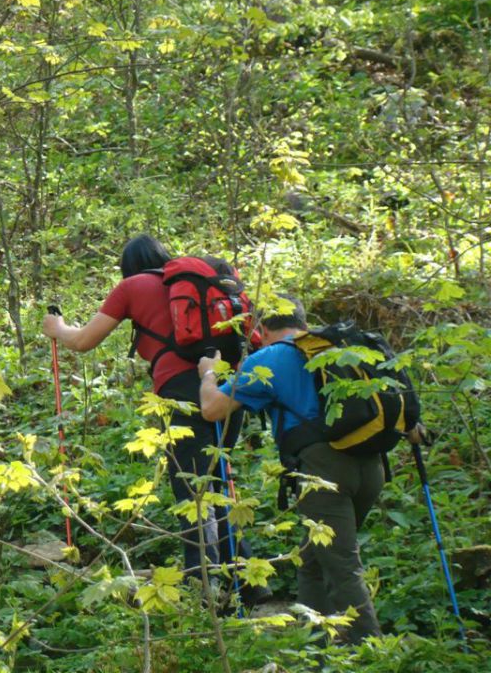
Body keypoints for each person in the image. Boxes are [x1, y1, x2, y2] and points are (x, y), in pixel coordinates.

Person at [42, 234, 260, 588]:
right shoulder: (192, 283)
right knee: (217, 478)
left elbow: (82, 341)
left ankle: (202, 586)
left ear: (127, 267)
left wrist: (57, 328)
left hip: (181, 389)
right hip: (230, 382)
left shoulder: (132, 286)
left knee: (192, 487)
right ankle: (248, 583)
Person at [197, 295, 408, 643]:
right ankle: (312, 647)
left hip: (322, 470)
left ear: (262, 330)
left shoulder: (270, 357)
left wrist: (208, 374)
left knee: (341, 565)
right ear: (303, 323)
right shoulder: (340, 349)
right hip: (371, 465)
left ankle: (373, 651)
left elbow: (212, 409)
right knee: (314, 558)